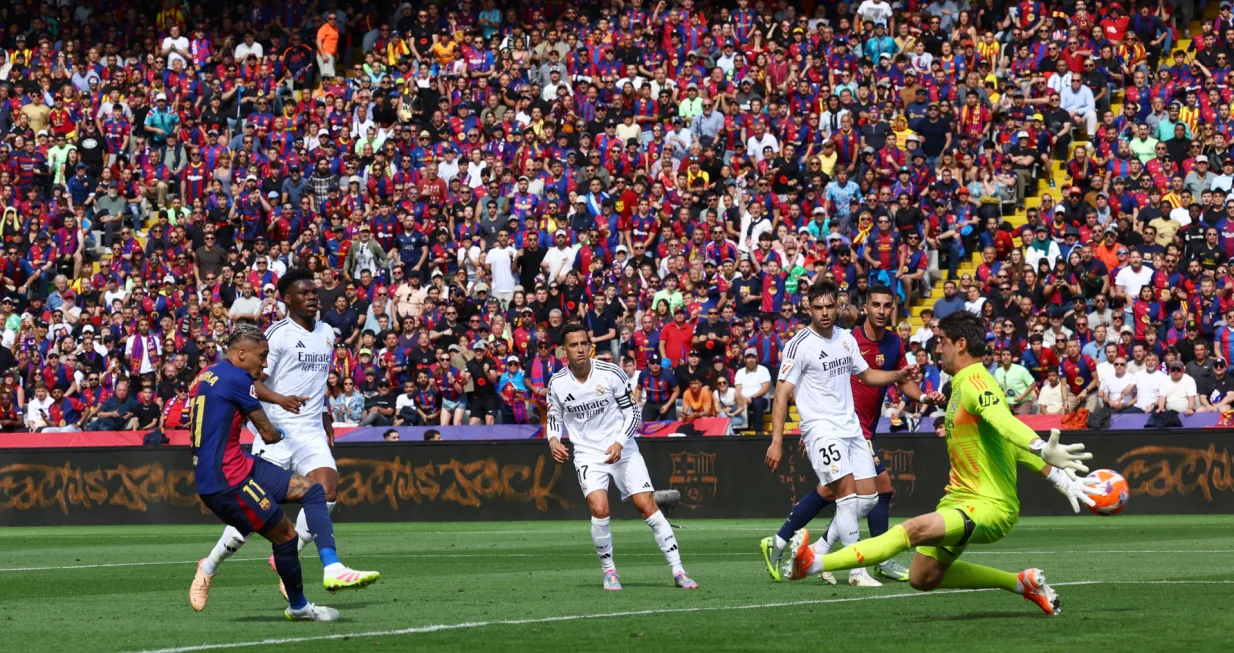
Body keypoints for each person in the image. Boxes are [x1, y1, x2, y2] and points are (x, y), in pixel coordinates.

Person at [776, 311, 1102, 617]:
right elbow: (1006, 444)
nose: (936, 348)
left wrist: (1041, 447)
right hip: (959, 499)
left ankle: (813, 563)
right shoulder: (959, 386)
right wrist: (1060, 479)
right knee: (923, 577)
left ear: (961, 344)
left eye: (942, 341)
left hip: (989, 507)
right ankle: (1022, 583)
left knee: (914, 529)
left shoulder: (977, 383)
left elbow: (1005, 422)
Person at [187, 325, 377, 620]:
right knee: (286, 536)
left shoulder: (208, 374)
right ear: (241, 354)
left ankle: (332, 565)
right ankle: (299, 607)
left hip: (237, 464)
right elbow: (266, 431)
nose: (265, 364)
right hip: (227, 481)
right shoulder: (239, 378)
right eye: (262, 357)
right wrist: (280, 433)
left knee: (313, 490)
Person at [761, 286, 942, 584]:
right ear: (810, 308)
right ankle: (858, 571)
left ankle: (800, 548)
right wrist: (777, 441)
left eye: (829, 307)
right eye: (818, 307)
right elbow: (781, 395)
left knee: (869, 498)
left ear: (837, 306)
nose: (824, 313)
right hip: (821, 429)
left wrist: (898, 376)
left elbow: (866, 375)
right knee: (845, 496)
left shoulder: (846, 339)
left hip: (852, 429)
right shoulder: (800, 344)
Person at [194, 270, 353, 603]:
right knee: (252, 516)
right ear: (287, 299)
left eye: (314, 291)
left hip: (309, 429)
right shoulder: (277, 335)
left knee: (327, 490)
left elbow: (318, 381)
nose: (312, 296)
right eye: (304, 292)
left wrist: (324, 414)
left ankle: (286, 553)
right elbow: (252, 381)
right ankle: (208, 566)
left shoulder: (326, 333)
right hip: (276, 431)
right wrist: (280, 400)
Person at [546, 324, 698, 591]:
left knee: (647, 507)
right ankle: (610, 572)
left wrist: (619, 441)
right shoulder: (557, 383)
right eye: (573, 345)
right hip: (587, 454)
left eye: (584, 343)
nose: (580, 349)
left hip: (623, 448)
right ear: (564, 350)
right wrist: (553, 440)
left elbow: (633, 413)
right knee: (600, 508)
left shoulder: (611, 373)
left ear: (589, 345)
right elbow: (554, 417)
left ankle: (679, 570)